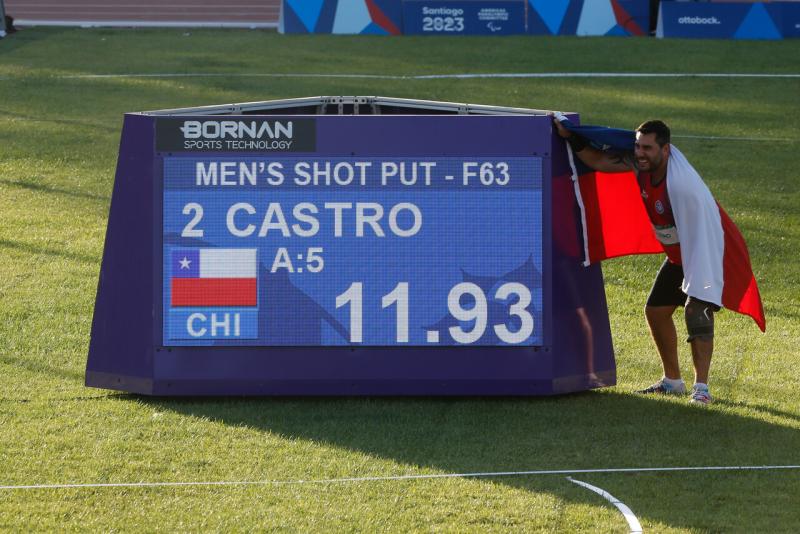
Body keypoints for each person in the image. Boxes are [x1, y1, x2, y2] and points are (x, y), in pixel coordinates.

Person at [553, 118, 718, 404]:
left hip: (705, 250)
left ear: (665, 150)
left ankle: (701, 389)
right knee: (655, 311)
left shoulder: (682, 188)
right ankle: (672, 382)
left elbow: (704, 237)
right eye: (638, 146)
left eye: (648, 148)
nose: (640, 152)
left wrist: (699, 285)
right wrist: (574, 138)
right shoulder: (641, 165)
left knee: (697, 312)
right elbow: (601, 162)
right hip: (678, 256)